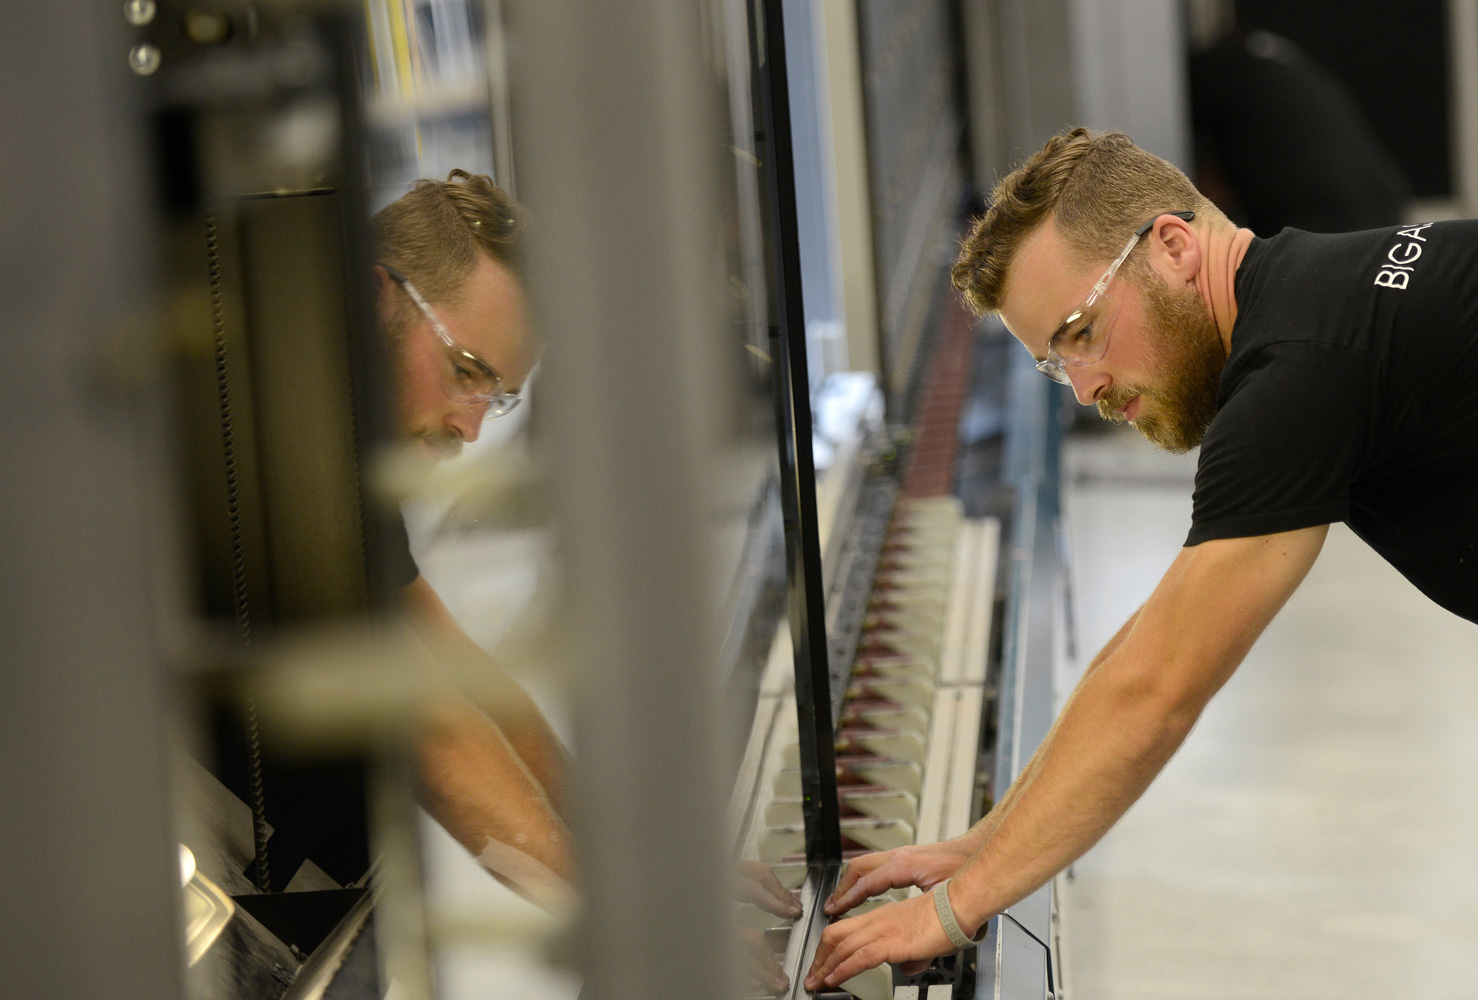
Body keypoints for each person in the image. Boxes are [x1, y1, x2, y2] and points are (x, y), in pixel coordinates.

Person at [805, 127, 1478, 990]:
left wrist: (954, 907)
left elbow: (1160, 687)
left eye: (1083, 332)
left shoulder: (1297, 378)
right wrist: (990, 840)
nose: (1084, 388)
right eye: (1055, 363)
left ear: (1171, 247)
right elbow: (1154, 637)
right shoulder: (1314, 300)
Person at [370, 169, 572, 903]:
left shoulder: (355, 464)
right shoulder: (285, 446)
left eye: (495, 395)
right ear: (376, 298)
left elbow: (463, 674)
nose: (471, 426)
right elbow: (437, 736)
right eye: (463, 372)